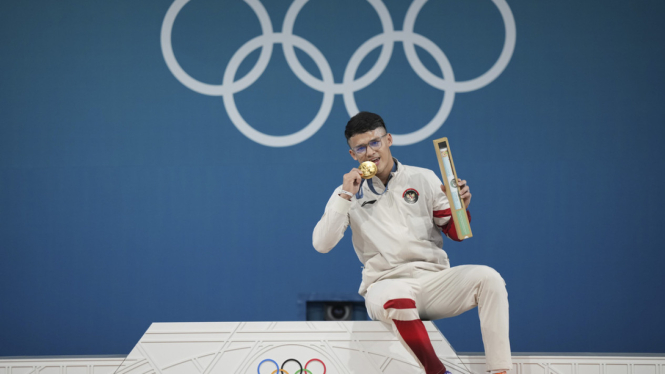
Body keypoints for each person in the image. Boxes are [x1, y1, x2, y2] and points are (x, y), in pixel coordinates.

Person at [313, 112, 512, 374]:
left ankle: (499, 370)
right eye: (361, 148)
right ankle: (438, 372)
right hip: (384, 285)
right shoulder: (348, 193)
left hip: (433, 281)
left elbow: (457, 233)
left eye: (375, 142)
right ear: (353, 155)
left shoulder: (423, 178)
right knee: (397, 298)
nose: (370, 152)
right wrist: (345, 196)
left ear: (389, 140)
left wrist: (460, 208)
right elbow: (322, 244)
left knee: (489, 278)